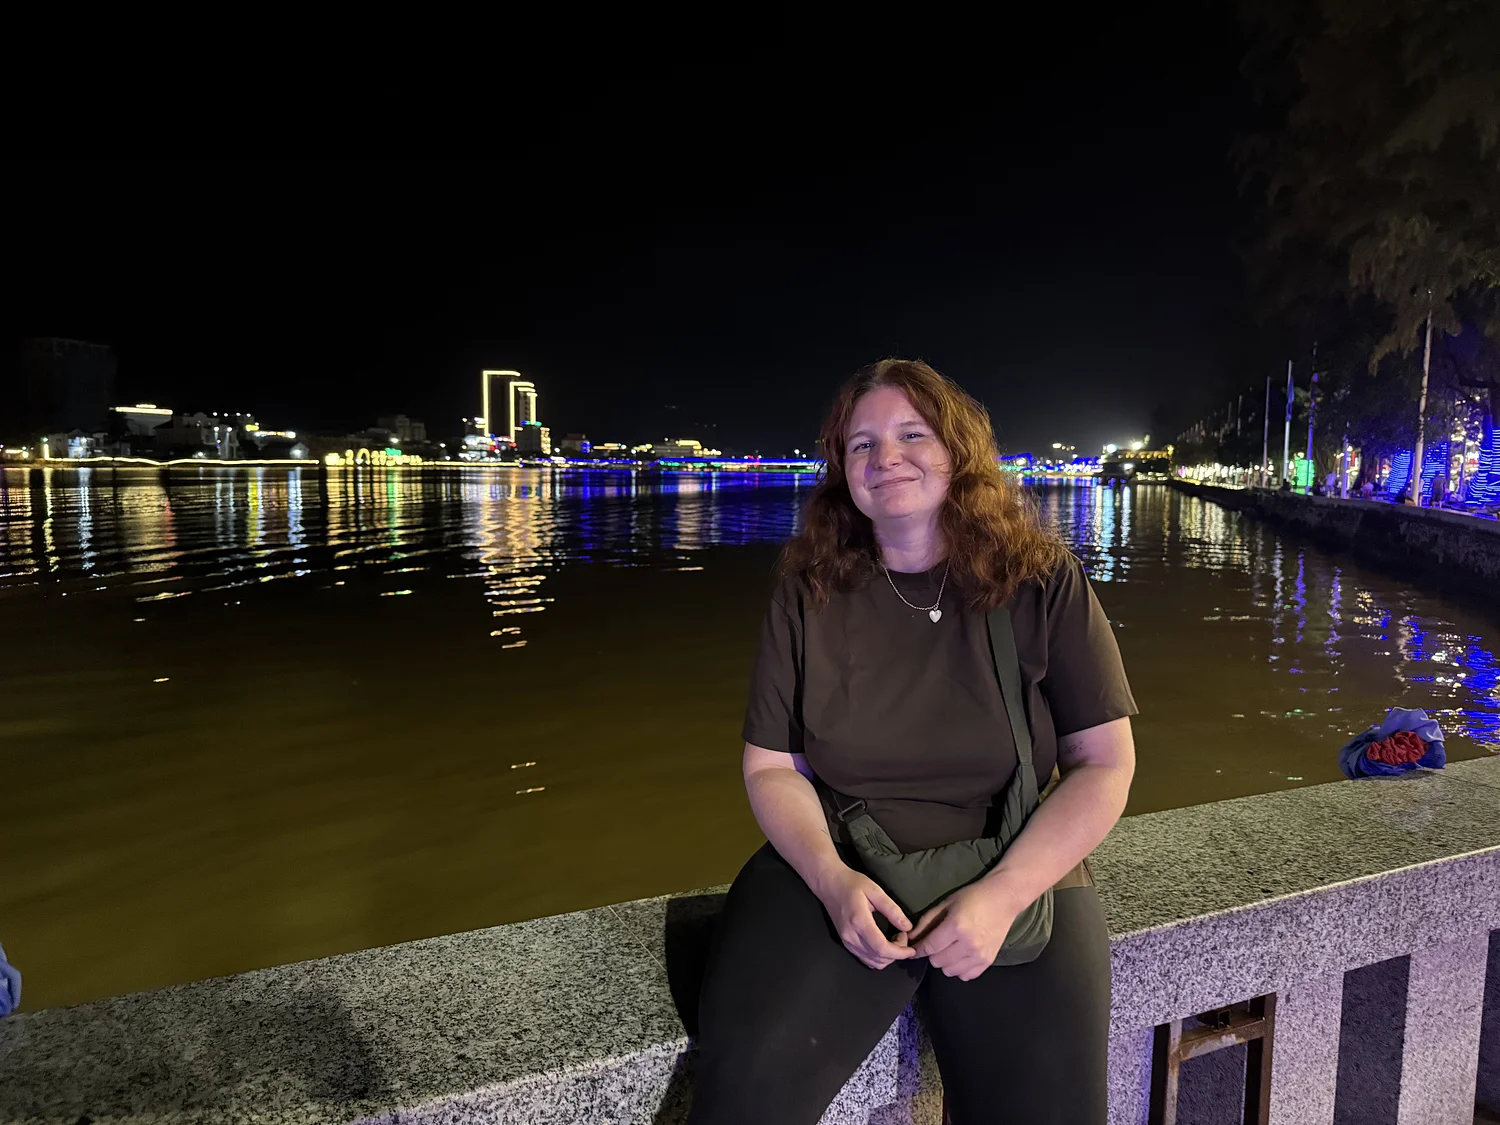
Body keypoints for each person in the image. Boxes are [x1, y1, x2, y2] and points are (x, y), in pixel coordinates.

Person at [689, 360, 1137, 1124]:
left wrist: (1003, 894)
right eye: (860, 444)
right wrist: (832, 880)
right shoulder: (808, 589)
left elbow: (1105, 763)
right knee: (745, 1091)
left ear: (958, 450)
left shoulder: (1041, 579)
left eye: (911, 435)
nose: (884, 457)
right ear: (842, 469)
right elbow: (771, 767)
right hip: (841, 865)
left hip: (1016, 866)